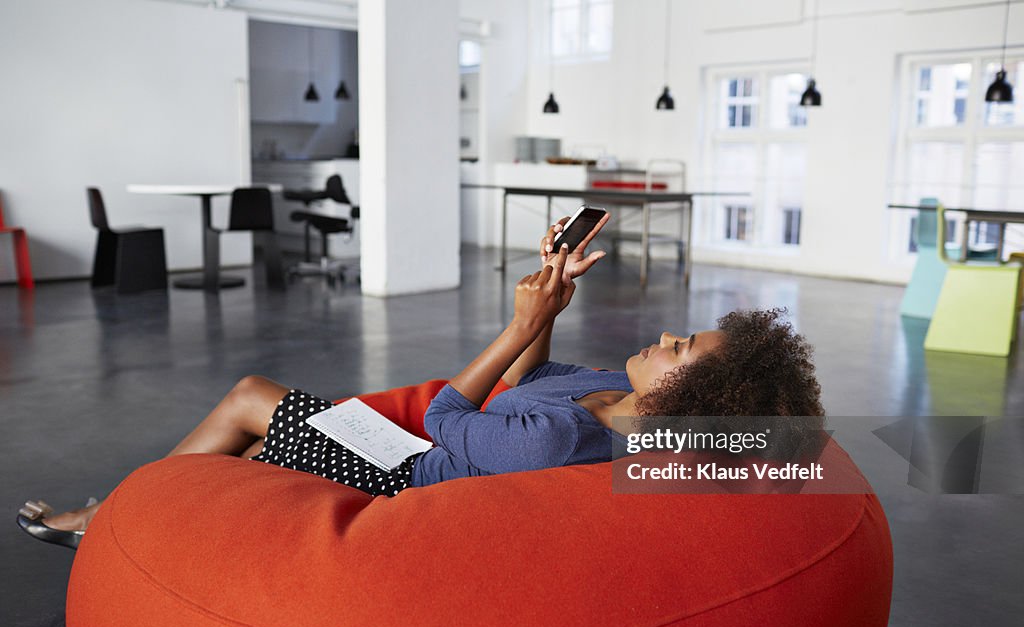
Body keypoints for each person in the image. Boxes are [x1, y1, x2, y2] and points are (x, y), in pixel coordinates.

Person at [17, 214, 823, 549]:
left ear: (686, 401)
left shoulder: (563, 439)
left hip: (400, 472)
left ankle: (113, 517)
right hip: (412, 449)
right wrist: (550, 297)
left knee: (248, 398)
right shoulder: (612, 391)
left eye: (681, 347)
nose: (665, 333)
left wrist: (514, 321)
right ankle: (140, 505)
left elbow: (444, 412)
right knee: (257, 429)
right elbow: (530, 374)